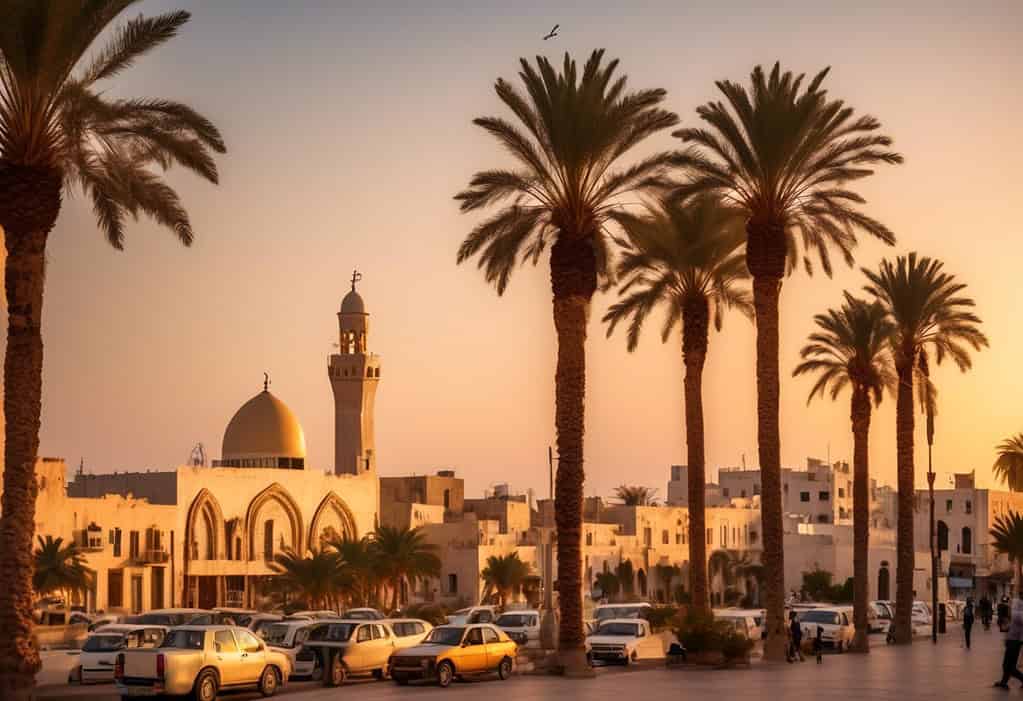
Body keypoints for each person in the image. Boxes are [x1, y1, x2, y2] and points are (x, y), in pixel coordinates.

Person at [994, 593, 1023, 689]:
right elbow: (1009, 624)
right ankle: (1003, 682)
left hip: (1015, 641)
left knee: (1009, 666)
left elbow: (1014, 618)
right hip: (1012, 639)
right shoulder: (1017, 605)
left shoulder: (1018, 611)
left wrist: (1009, 610)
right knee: (1008, 664)